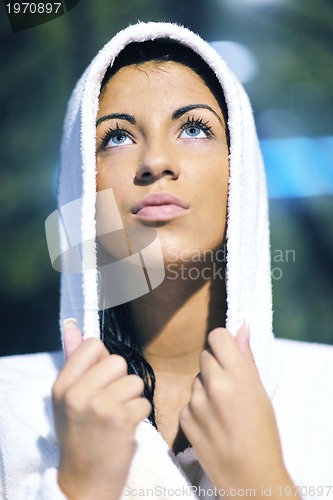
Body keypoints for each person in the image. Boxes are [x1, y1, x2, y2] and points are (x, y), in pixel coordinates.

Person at [0, 21, 333, 500]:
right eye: (117, 137)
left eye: (194, 128)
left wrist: (263, 485)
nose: (156, 160)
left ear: (242, 172)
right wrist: (79, 488)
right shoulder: (12, 407)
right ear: (80, 183)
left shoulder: (323, 392)